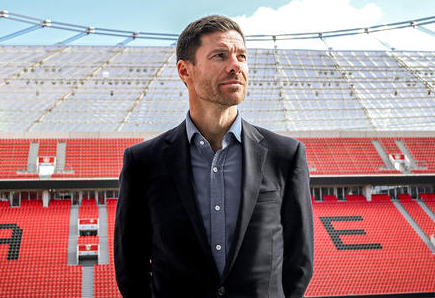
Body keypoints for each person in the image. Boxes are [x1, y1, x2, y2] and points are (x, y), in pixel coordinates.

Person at [114, 15, 314, 298]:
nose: (236, 65)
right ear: (185, 71)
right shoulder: (144, 162)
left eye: (241, 56)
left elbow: (299, 261)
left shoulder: (285, 155)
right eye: (220, 56)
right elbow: (130, 266)